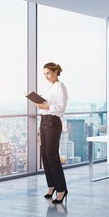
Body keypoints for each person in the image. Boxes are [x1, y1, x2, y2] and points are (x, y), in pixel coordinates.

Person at [36, 62, 68, 204]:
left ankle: (61, 189)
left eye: (48, 73)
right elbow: (46, 107)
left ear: (55, 72)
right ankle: (52, 185)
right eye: (45, 74)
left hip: (53, 122)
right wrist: (40, 104)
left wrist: (46, 105)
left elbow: (61, 107)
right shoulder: (51, 87)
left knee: (52, 155)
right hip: (44, 121)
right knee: (44, 154)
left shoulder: (60, 86)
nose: (47, 76)